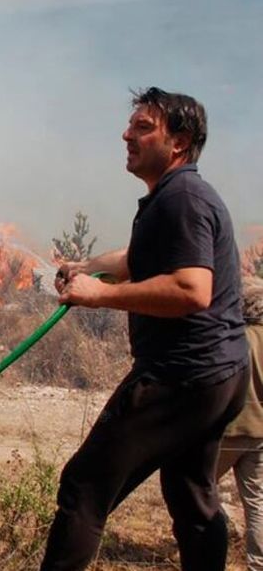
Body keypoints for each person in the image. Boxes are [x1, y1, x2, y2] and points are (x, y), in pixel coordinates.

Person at [40, 87, 249, 571]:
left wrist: (101, 295)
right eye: (130, 125)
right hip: (219, 374)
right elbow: (141, 260)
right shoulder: (175, 196)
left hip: (181, 376)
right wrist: (88, 265)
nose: (126, 134)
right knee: (191, 495)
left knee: (85, 486)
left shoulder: (183, 200)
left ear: (177, 142)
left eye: (142, 127)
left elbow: (191, 289)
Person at [217, 277, 263, 570]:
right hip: (259, 432)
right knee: (257, 503)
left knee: (197, 490)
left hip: (227, 431)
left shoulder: (232, 338)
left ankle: (209, 548)